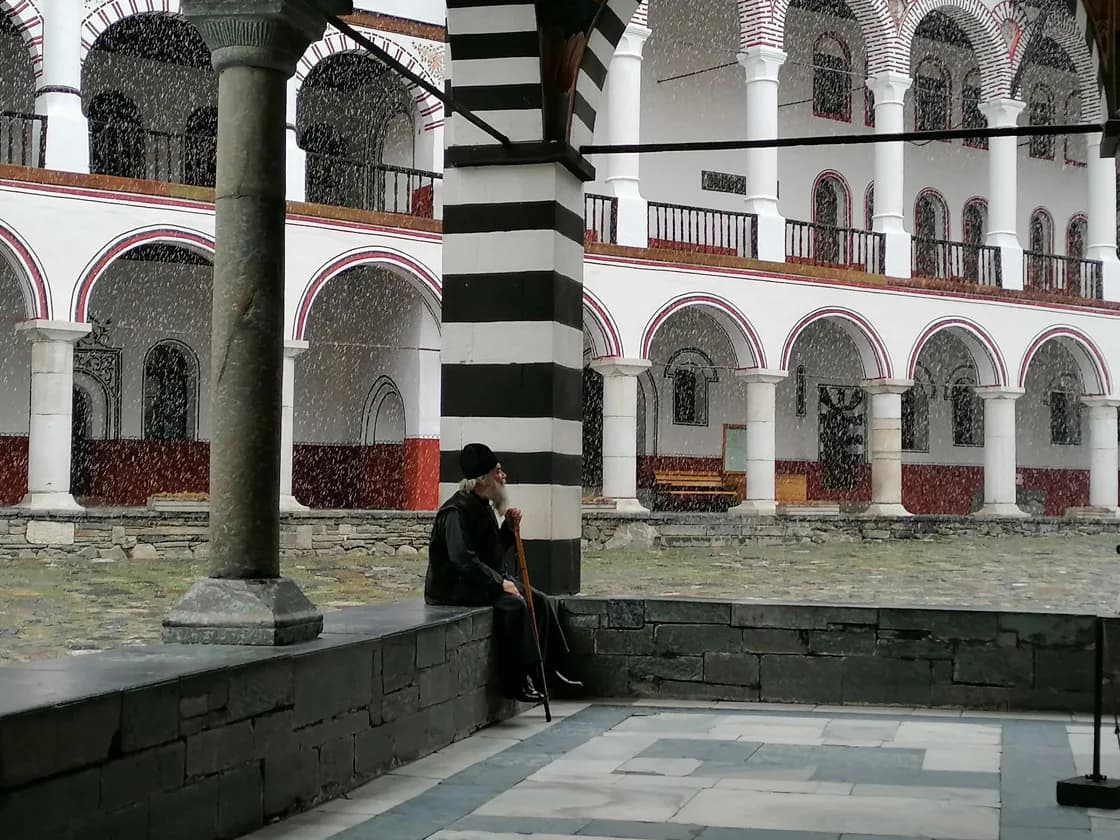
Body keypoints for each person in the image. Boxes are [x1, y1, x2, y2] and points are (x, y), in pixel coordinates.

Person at [425, 442, 582, 703]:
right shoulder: (454, 512)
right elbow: (462, 560)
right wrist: (499, 584)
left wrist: (507, 529)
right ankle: (517, 679)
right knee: (515, 606)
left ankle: (547, 672)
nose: (503, 476)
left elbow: (490, 552)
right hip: (454, 589)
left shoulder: (482, 504)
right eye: (498, 471)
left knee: (539, 601)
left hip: (479, 581)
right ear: (484, 479)